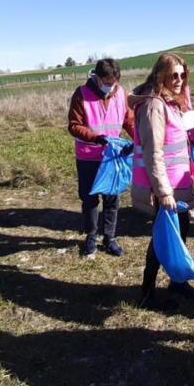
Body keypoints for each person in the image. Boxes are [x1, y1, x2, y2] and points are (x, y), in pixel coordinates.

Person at [129, 53, 194, 310]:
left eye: (183, 75)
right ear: (160, 75)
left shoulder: (170, 102)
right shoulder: (154, 106)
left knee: (180, 232)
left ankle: (177, 283)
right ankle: (147, 292)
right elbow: (153, 152)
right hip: (166, 188)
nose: (180, 79)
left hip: (178, 185)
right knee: (162, 238)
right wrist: (163, 192)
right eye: (174, 75)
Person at [67, 58, 135, 257]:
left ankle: (110, 238)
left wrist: (140, 140)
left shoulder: (121, 93)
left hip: (112, 157)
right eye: (106, 82)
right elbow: (74, 125)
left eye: (114, 82)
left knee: (112, 198)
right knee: (89, 199)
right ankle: (91, 236)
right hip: (88, 156)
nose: (110, 86)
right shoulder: (81, 94)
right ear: (96, 77)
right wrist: (97, 138)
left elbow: (129, 121)